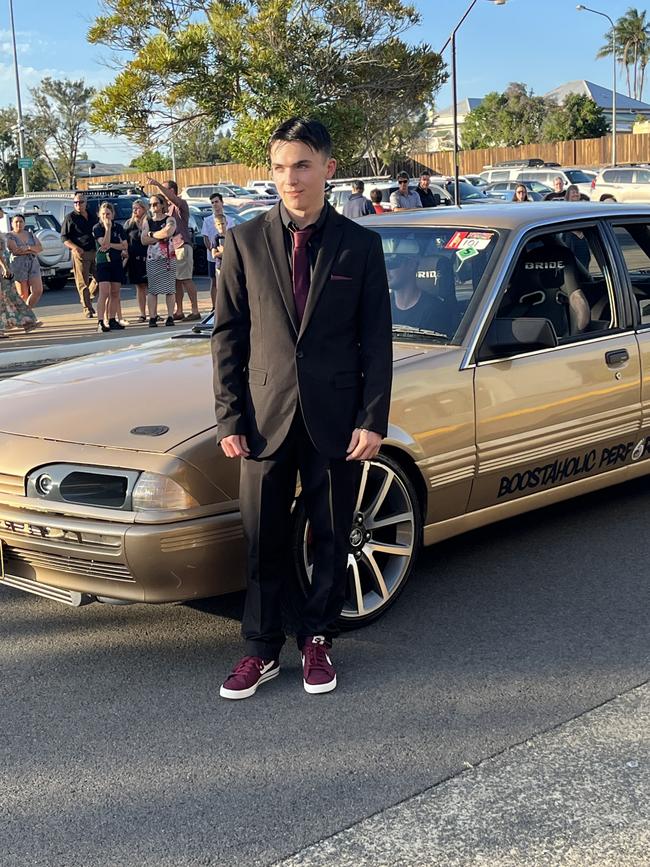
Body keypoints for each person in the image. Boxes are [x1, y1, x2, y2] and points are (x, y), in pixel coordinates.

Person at [212, 117, 392, 699]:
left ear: (328, 170)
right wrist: (231, 417)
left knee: (332, 534)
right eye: (281, 167)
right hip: (264, 420)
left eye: (303, 165)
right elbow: (228, 336)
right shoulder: (242, 242)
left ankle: (318, 638)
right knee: (261, 537)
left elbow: (376, 338)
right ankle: (260, 650)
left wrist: (373, 418)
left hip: (336, 418)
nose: (291, 178)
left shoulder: (360, 245)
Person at [146, 177, 201, 321]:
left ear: (171, 191)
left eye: (164, 189)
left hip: (182, 246)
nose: (162, 193)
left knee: (186, 279)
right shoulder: (167, 208)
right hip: (171, 249)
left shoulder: (180, 204)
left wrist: (157, 184)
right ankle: (179, 310)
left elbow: (172, 199)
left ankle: (195, 310)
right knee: (176, 281)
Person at [141, 193, 177, 327]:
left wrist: (152, 235)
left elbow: (168, 232)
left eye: (155, 204)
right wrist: (159, 236)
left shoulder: (169, 219)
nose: (153, 207)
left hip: (168, 257)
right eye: (150, 204)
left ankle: (170, 316)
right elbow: (144, 240)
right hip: (153, 259)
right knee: (153, 289)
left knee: (170, 288)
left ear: (162, 205)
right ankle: (152, 317)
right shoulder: (147, 221)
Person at [61, 193, 98, 318]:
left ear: (86, 203)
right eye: (75, 202)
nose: (78, 205)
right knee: (83, 282)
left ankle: (88, 298)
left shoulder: (92, 215)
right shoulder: (70, 218)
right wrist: (75, 247)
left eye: (80, 202)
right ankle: (87, 308)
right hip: (80, 253)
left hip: (95, 251)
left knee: (100, 278)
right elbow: (64, 237)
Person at [93, 201, 127, 333]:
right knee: (104, 292)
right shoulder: (98, 228)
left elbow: (124, 246)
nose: (106, 216)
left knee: (115, 292)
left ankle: (112, 319)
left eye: (108, 214)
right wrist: (107, 229)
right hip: (103, 262)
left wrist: (112, 245)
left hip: (116, 261)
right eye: (103, 214)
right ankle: (101, 321)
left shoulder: (119, 228)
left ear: (113, 214)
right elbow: (104, 244)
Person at [0, 231, 40, 337]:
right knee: (3, 298)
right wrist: (4, 267)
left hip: (5, 269)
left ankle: (27, 321)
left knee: (11, 296)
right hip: (3, 268)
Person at [387, 252, 439, 329]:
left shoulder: (435, 310)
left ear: (411, 265)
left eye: (391, 264)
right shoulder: (379, 308)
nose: (385, 270)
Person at [6, 215, 44, 308]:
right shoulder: (9, 236)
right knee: (23, 294)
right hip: (18, 264)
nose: (19, 224)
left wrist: (27, 248)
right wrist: (32, 250)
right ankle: (26, 317)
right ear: (12, 224)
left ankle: (28, 313)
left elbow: (40, 248)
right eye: (16, 222)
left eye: (21, 221)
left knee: (38, 290)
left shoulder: (30, 234)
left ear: (24, 223)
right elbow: (16, 250)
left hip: (33, 263)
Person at [124, 199, 149, 322]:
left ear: (144, 209)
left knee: (150, 287)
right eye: (133, 208)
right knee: (139, 286)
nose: (135, 211)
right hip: (134, 259)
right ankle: (142, 313)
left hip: (149, 258)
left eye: (138, 208)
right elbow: (124, 241)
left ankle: (153, 312)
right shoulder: (129, 224)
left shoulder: (149, 222)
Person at [202, 192, 228, 310]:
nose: (215, 205)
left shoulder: (229, 219)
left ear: (222, 202)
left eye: (217, 202)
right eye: (212, 203)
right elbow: (206, 237)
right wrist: (213, 251)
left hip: (228, 257)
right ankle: (214, 306)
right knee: (214, 282)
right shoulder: (207, 220)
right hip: (214, 257)